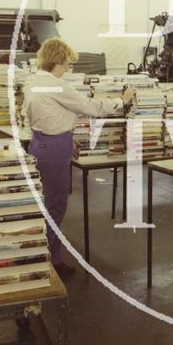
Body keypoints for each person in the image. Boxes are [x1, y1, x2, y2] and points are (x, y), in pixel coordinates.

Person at [26, 38, 135, 279]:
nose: (67, 70)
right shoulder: (56, 85)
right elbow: (92, 107)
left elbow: (38, 116)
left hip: (40, 143)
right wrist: (123, 101)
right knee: (55, 205)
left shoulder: (33, 82)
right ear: (57, 61)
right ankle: (51, 262)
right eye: (67, 65)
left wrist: (65, 135)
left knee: (44, 204)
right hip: (54, 150)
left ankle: (40, 256)